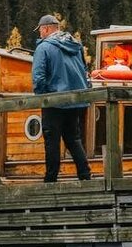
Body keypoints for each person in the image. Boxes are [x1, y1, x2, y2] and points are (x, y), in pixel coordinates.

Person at [32, 14, 92, 182]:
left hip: (54, 102)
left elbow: (38, 77)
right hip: (75, 101)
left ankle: (51, 179)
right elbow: (84, 69)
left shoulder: (44, 48)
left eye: (40, 31)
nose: (40, 34)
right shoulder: (76, 44)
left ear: (45, 29)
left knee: (52, 141)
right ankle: (85, 175)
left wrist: (42, 97)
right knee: (73, 139)